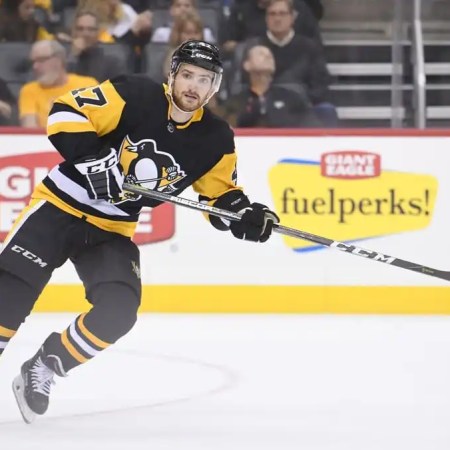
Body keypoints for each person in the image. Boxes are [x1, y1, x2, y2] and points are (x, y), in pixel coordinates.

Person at [1, 39, 279, 424]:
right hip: (59, 206)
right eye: (187, 75)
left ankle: (46, 364)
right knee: (8, 298)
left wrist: (244, 215)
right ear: (173, 75)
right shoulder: (136, 94)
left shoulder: (215, 139)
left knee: (118, 311)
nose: (193, 86)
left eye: (204, 80)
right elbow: (65, 113)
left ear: (214, 87)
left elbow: (220, 198)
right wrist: (94, 161)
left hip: (111, 228)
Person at [223, 44, 320, 128]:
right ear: (246, 65)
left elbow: (312, 128)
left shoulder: (292, 98)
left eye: (270, 55)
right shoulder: (236, 102)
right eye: (261, 54)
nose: (267, 56)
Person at [19, 39, 98, 128]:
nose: (35, 66)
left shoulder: (87, 85)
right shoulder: (29, 90)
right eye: (33, 62)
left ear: (59, 60)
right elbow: (30, 129)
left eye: (41, 60)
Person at [66, 10, 128, 82]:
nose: (85, 34)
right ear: (74, 31)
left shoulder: (112, 60)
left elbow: (118, 86)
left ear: (98, 32)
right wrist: (74, 55)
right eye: (80, 29)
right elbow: (62, 83)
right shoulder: (63, 56)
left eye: (91, 29)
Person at [151, 0, 215, 43]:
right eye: (178, 5)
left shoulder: (206, 33)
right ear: (171, 10)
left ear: (195, 9)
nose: (183, 9)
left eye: (187, 5)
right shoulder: (161, 33)